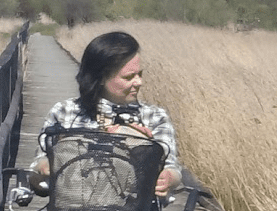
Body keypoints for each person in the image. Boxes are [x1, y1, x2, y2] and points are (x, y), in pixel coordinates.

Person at [31, 31, 182, 199]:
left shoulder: (154, 117)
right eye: (129, 77)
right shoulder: (64, 111)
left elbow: (171, 167)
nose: (139, 82)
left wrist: (169, 178)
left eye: (140, 74)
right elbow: (38, 167)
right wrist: (44, 166)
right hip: (70, 209)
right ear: (101, 77)